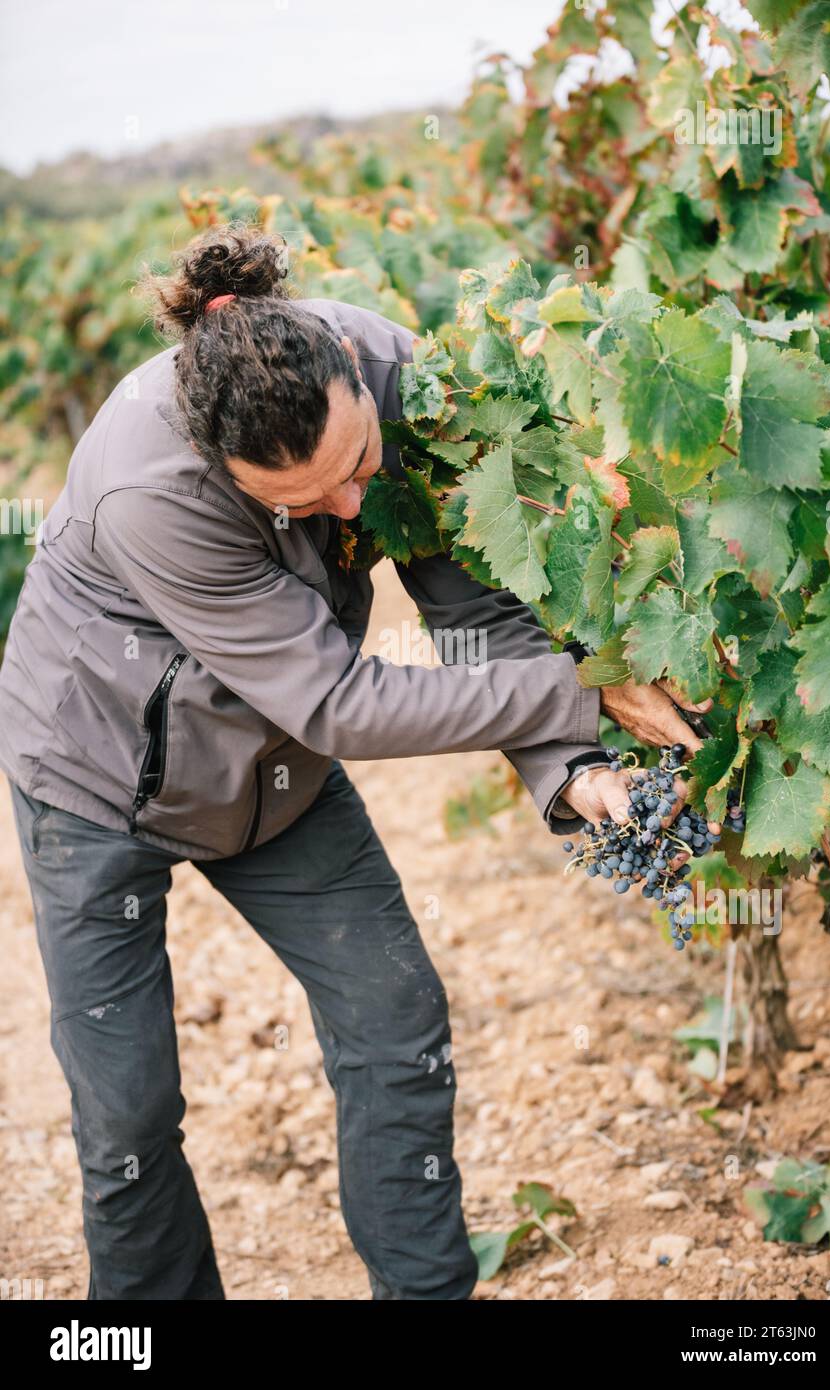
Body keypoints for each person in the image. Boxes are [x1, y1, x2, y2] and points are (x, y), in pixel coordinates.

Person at [0, 224, 711, 1301]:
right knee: (129, 1115)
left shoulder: (396, 380)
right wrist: (576, 686)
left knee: (395, 1021)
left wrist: (570, 760)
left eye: (359, 471)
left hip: (271, 776)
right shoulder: (148, 487)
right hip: (97, 779)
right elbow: (337, 697)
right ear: (226, 468)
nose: (348, 509)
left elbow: (469, 609)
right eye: (304, 501)